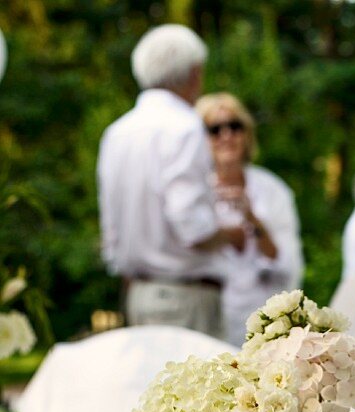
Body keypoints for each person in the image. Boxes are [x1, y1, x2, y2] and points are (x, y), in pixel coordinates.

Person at [97, 24, 245, 337]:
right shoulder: (184, 126)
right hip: (186, 298)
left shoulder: (117, 132)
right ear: (193, 73)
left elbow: (111, 229)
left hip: (137, 295)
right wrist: (230, 235)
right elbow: (192, 225)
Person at [197, 92, 304, 347]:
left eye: (235, 126)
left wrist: (252, 220)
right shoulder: (193, 191)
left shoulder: (273, 189)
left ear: (246, 134)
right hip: (209, 319)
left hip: (262, 322)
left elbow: (288, 265)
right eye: (214, 129)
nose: (227, 135)